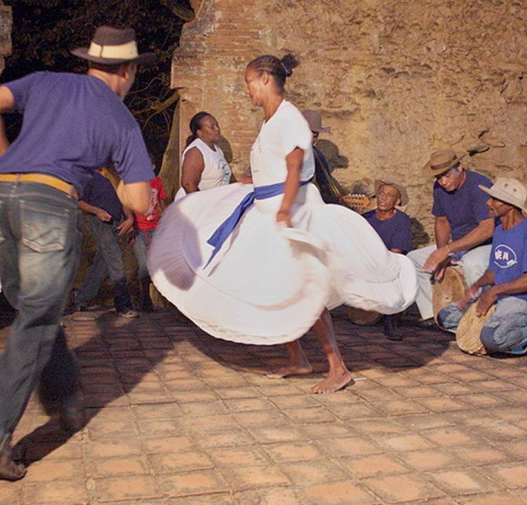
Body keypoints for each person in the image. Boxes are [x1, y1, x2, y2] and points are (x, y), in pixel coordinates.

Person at [148, 53, 416, 394]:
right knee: (275, 285)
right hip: (266, 209)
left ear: (263, 78)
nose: (247, 91)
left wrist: (286, 209)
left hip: (291, 212)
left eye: (248, 83)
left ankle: (338, 367)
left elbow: (294, 165)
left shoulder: (289, 118)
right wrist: (249, 183)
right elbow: (273, 167)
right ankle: (297, 357)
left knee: (306, 288)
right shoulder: (271, 120)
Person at [0, 26, 154, 481]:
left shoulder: (47, 81)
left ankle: (66, 402)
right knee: (37, 319)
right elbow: (141, 202)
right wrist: (112, 171)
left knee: (35, 311)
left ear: (89, 61)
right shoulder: (121, 120)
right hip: (48, 204)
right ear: (127, 71)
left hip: (0, 195)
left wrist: (10, 159)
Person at [436, 177, 527, 357]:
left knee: (492, 338)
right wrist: (476, 287)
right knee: (445, 317)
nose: (488, 202)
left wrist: (494, 292)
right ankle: (499, 327)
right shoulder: (500, 229)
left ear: (510, 205)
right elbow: (494, 270)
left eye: (494, 199)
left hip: (522, 299)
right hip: (498, 296)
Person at [407, 149, 494, 327]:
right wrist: (442, 252)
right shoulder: (439, 188)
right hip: (459, 244)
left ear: (460, 168)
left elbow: (487, 229)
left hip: (487, 244)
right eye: (438, 178)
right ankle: (434, 315)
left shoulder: (479, 185)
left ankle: (478, 320)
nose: (443, 182)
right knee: (414, 260)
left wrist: (448, 250)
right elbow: (442, 220)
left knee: (472, 264)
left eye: (447, 176)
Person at [71, 170, 139, 318]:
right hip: (100, 222)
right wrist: (97, 211)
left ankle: (81, 297)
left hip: (116, 222)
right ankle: (123, 304)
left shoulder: (111, 176)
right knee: (116, 261)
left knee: (101, 264)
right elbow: (78, 201)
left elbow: (123, 199)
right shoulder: (86, 177)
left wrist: (129, 219)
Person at [362, 179, 412, 340]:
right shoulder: (366, 218)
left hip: (390, 261)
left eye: (389, 196)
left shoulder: (402, 220)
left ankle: (391, 320)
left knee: (397, 272)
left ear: (397, 202)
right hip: (368, 263)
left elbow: (397, 252)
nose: (383, 198)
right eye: (381, 194)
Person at [132, 164, 166, 311]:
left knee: (157, 264)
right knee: (143, 266)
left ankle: (159, 299)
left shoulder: (157, 182)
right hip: (139, 229)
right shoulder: (134, 182)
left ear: (152, 166)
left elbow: (162, 202)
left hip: (155, 228)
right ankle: (145, 298)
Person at [175, 111, 231, 199]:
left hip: (215, 205)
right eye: (212, 127)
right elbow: (188, 184)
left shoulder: (218, 150)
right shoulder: (195, 151)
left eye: (217, 125)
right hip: (198, 207)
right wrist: (202, 204)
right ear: (199, 132)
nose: (217, 129)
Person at [302, 110, 342, 205]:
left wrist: (335, 200)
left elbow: (324, 187)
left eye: (315, 136)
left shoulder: (318, 156)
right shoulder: (283, 150)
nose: (312, 139)